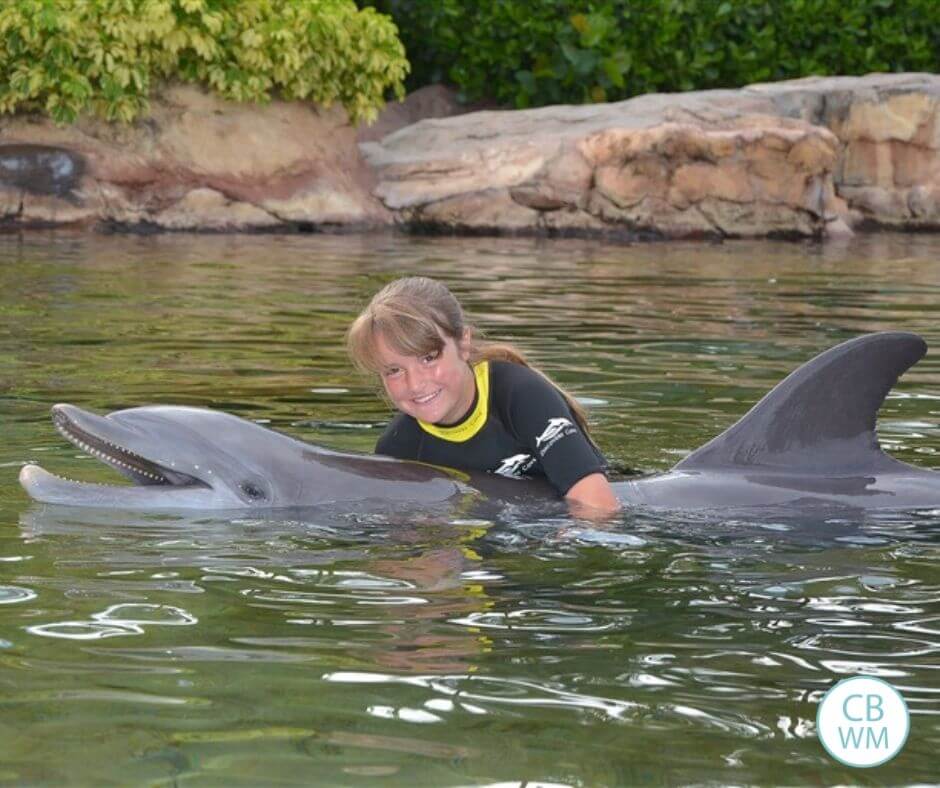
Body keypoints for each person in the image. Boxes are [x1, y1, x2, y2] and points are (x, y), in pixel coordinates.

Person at [346, 276, 621, 517]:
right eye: (394, 370)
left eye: (429, 358)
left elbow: (599, 507)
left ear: (463, 344)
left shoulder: (519, 395)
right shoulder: (398, 447)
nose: (416, 383)